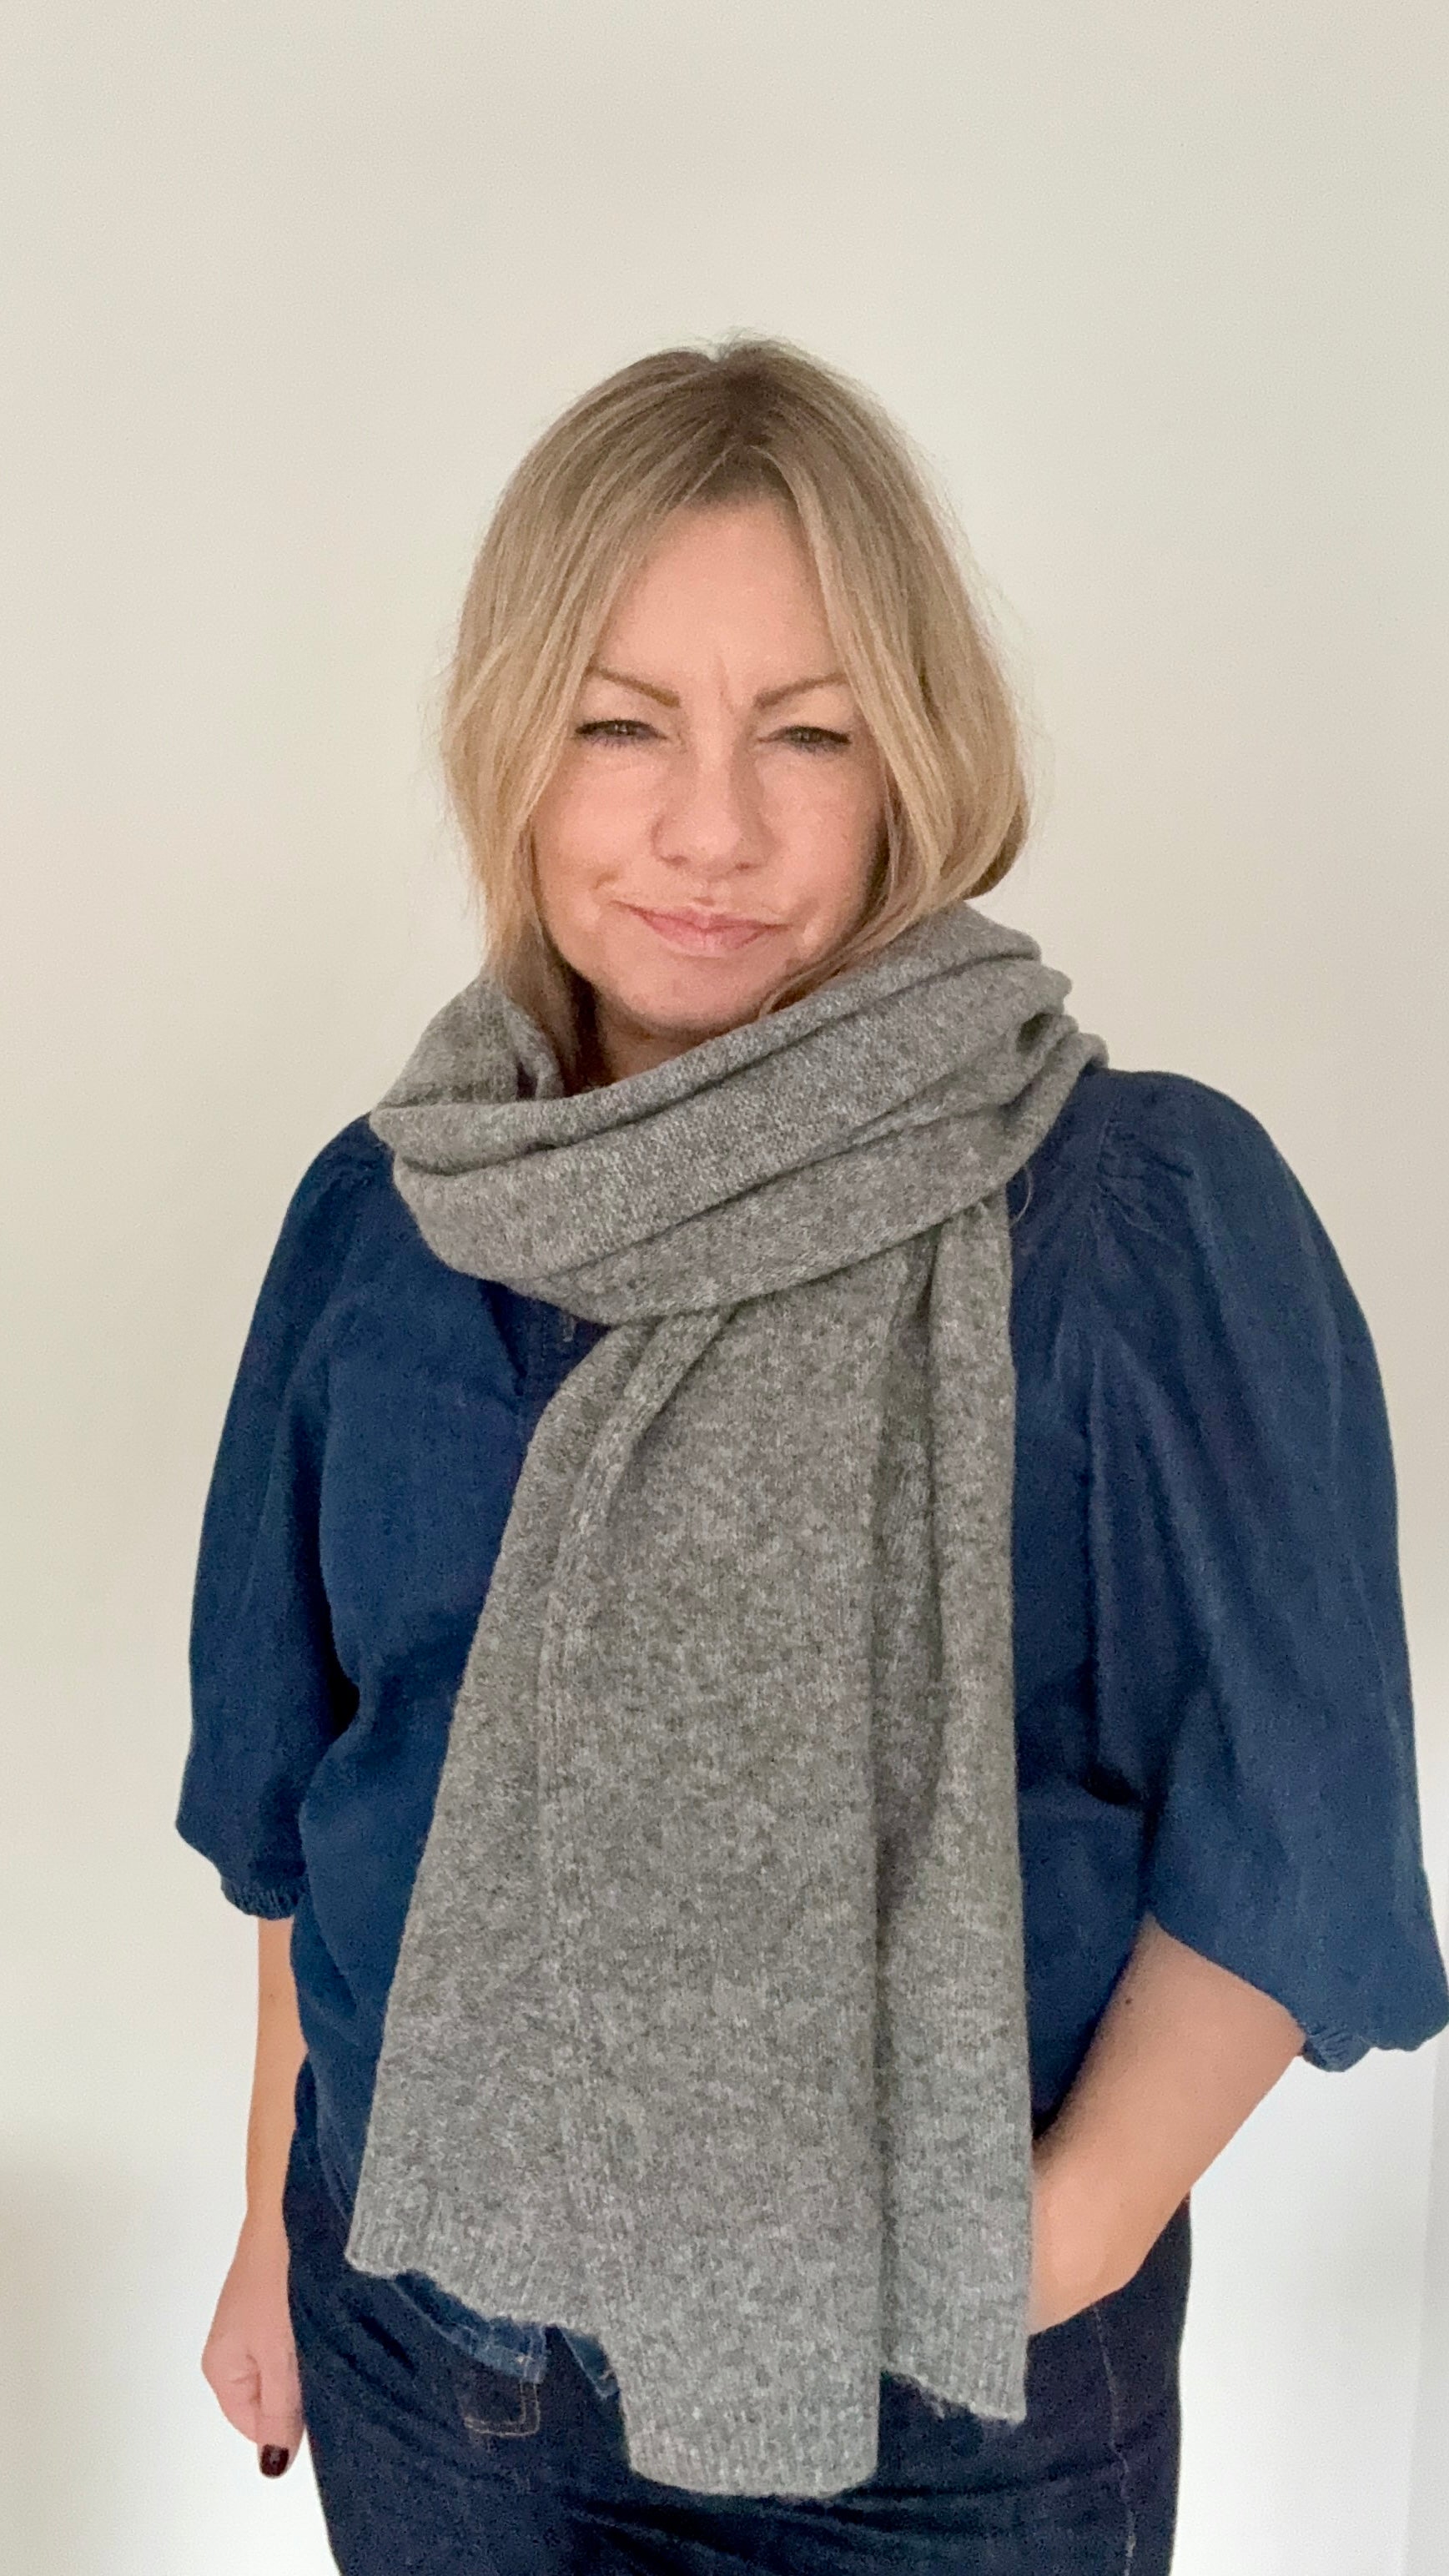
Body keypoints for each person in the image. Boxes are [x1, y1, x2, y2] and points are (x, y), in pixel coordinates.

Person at [176, 336, 1448, 2576]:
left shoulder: (1125, 1221)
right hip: (426, 2362)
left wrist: (1039, 2253)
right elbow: (320, 1794)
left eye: (809, 734)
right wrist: (275, 2222)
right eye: (620, 723)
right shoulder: (388, 1211)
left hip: (928, 2435)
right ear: (512, 747)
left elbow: (1289, 1841)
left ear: (911, 765)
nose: (709, 829)